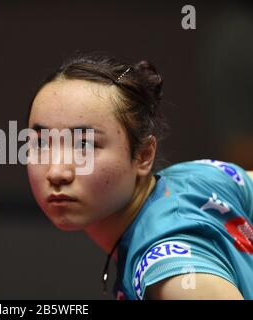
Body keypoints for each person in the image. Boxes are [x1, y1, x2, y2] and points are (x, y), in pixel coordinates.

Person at [26, 52, 253, 300]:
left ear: (144, 156)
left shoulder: (170, 270)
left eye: (85, 146)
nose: (56, 172)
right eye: (42, 145)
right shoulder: (201, 177)